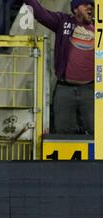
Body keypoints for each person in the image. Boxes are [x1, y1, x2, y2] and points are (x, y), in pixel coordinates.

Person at [24, 0, 94, 134]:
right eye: (85, 4)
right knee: (64, 131)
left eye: (91, 5)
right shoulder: (63, 22)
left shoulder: (99, 26)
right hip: (64, 88)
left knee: (97, 130)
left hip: (91, 89)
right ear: (75, 9)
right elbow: (40, 13)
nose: (90, 7)